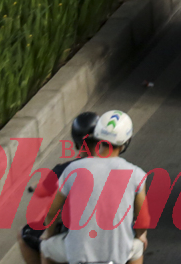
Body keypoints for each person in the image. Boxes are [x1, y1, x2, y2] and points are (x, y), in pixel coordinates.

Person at [36, 111, 149, 264]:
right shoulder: (136, 174)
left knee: (46, 247)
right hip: (119, 255)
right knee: (137, 247)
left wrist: (48, 233)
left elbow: (51, 211)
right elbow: (143, 220)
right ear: (126, 142)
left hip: (78, 255)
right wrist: (141, 235)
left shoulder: (72, 169)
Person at [19, 113, 100, 264]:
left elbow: (44, 195)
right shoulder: (120, 167)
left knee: (33, 240)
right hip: (114, 233)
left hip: (81, 239)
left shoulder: (64, 170)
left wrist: (36, 186)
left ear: (76, 142)